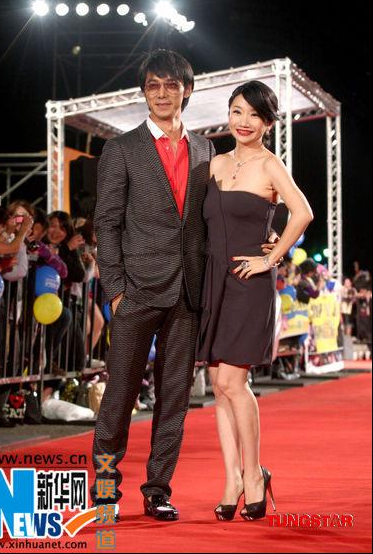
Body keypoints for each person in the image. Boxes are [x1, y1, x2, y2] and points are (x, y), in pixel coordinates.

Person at [91, 49, 216, 521]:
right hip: (136, 293)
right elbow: (107, 222)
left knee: (175, 398)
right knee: (119, 396)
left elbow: (210, 220)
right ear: (144, 92)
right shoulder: (121, 149)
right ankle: (105, 489)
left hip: (188, 293)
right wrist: (116, 290)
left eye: (170, 85)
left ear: (187, 89)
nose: (161, 93)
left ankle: (158, 490)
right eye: (152, 85)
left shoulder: (206, 150)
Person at [196, 80, 313, 521]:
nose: (244, 122)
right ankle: (232, 480)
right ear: (228, 114)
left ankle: (253, 475)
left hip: (249, 282)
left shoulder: (270, 164)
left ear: (267, 123)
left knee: (232, 382)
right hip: (214, 282)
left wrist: (272, 257)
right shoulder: (214, 163)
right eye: (237, 111)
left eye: (255, 115)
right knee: (219, 386)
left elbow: (303, 212)